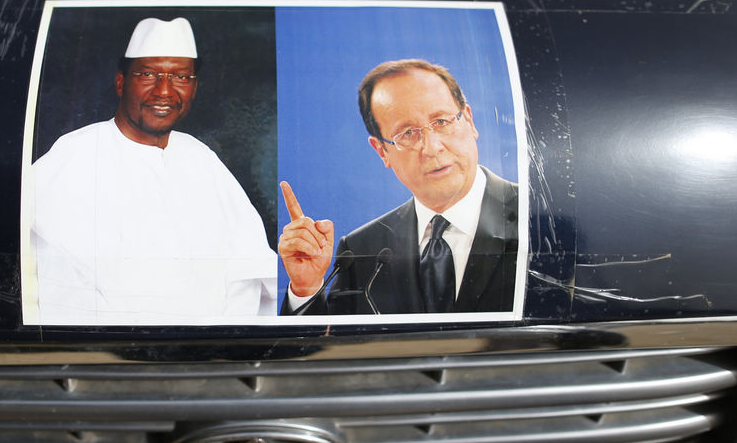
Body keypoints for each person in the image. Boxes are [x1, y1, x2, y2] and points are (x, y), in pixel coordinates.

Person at [30, 17, 277, 324]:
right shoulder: (75, 155)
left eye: (181, 77)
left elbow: (249, 274)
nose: (164, 91)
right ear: (121, 82)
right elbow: (48, 281)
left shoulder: (201, 159)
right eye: (148, 74)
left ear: (194, 88)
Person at [279, 59, 518, 315]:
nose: (431, 147)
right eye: (407, 133)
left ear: (469, 121)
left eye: (441, 122)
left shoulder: (539, 218)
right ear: (381, 151)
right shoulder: (362, 250)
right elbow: (330, 348)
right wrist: (307, 289)